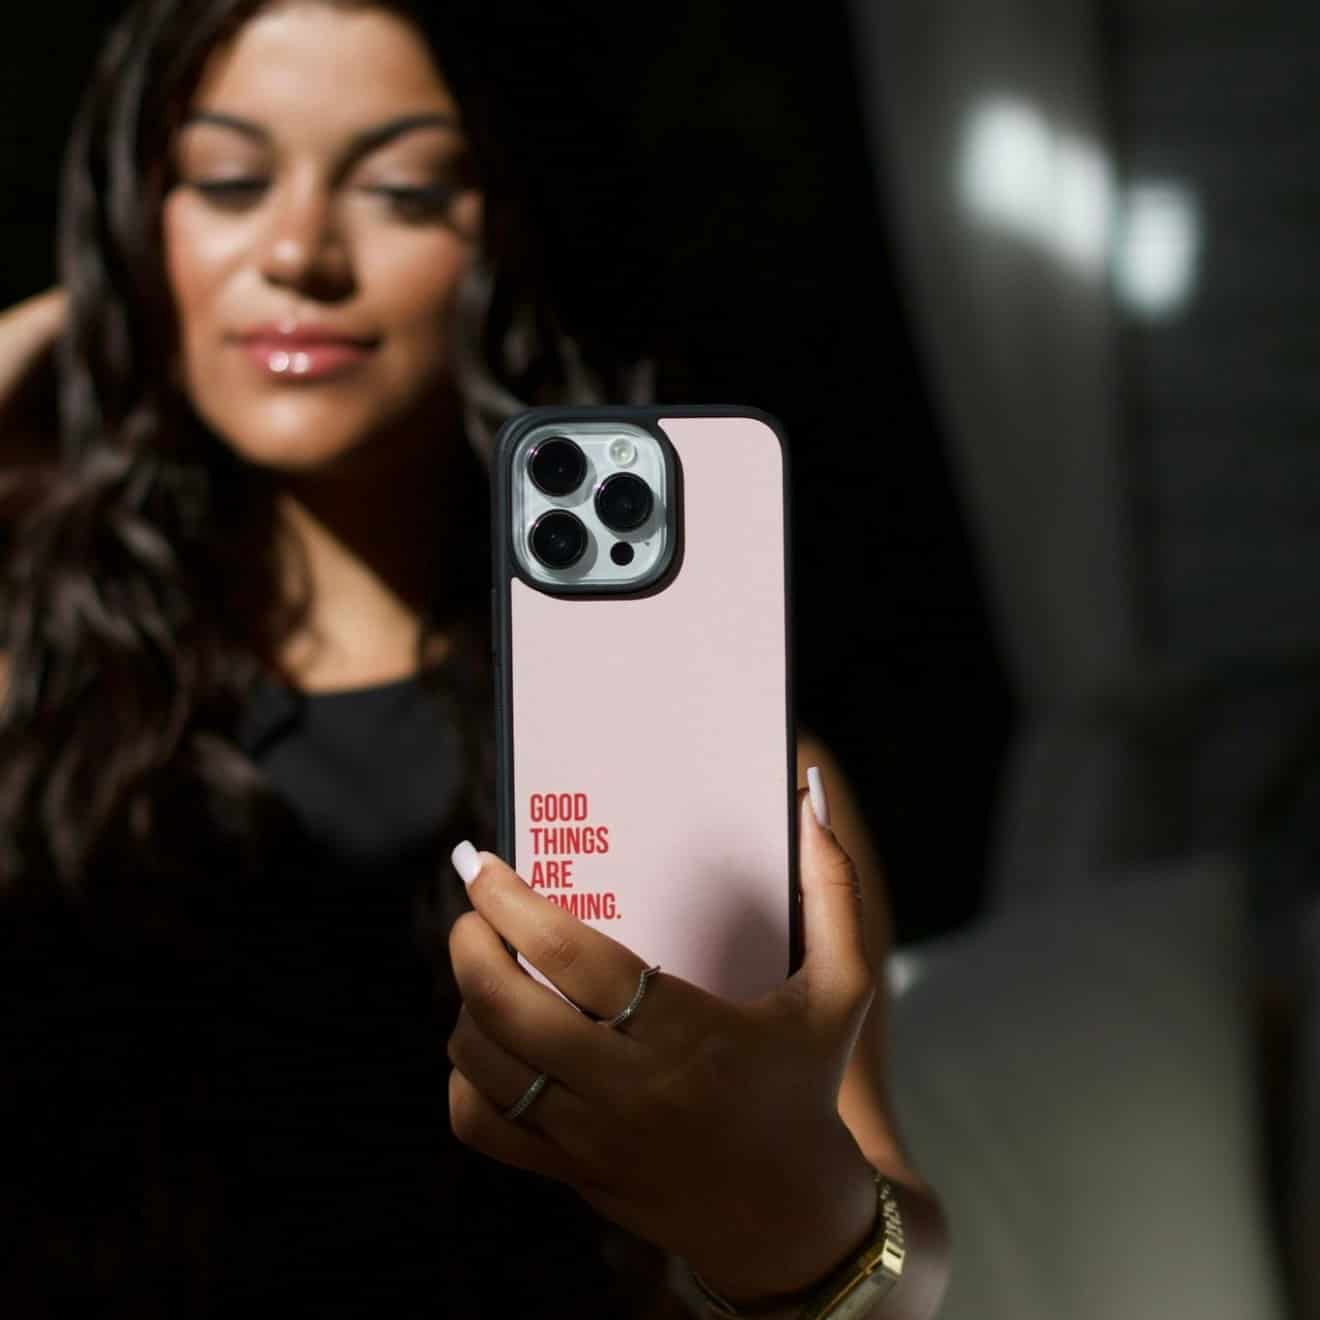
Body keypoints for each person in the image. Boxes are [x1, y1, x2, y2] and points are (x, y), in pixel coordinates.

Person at [0, 2, 950, 1315]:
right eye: (225, 181)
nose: (298, 251)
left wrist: (794, 1214)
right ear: (134, 223)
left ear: (512, 227)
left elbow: (904, 1274)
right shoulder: (32, 689)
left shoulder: (716, 761)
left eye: (401, 191)